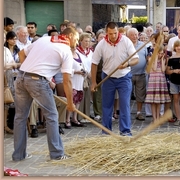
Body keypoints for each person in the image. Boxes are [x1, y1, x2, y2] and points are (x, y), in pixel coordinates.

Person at [12, 27, 78, 161]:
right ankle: (57, 154)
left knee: (20, 117)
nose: (76, 42)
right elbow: (67, 81)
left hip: (21, 77)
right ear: (70, 36)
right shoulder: (66, 50)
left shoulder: (44, 39)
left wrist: (28, 71)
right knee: (52, 116)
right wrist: (70, 104)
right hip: (37, 80)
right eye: (76, 39)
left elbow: (22, 54)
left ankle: (18, 155)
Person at [90, 22, 139, 136]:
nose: (113, 36)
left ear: (118, 31)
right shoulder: (101, 44)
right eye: (110, 34)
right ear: (107, 32)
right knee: (106, 105)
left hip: (124, 77)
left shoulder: (126, 41)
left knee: (125, 105)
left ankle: (125, 131)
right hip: (108, 77)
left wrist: (127, 64)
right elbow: (94, 63)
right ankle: (106, 131)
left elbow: (136, 59)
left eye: (115, 33)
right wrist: (93, 82)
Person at [145, 45, 171, 122]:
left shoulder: (163, 60)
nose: (160, 55)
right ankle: (154, 118)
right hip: (153, 80)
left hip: (160, 80)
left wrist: (163, 59)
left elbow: (163, 69)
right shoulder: (150, 59)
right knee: (153, 101)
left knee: (159, 100)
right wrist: (155, 58)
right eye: (158, 53)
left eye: (161, 53)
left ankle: (158, 116)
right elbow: (155, 68)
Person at [127, 28, 147, 121]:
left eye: (136, 34)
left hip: (141, 74)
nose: (135, 36)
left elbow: (147, 57)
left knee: (140, 94)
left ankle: (139, 112)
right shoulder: (126, 45)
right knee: (127, 94)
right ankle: (126, 113)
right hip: (128, 74)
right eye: (132, 35)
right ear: (128, 36)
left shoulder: (143, 45)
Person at [76, 33, 93, 123]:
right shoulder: (77, 51)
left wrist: (91, 72)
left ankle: (87, 115)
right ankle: (79, 116)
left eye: (89, 41)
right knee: (80, 95)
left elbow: (92, 63)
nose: (87, 43)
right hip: (80, 75)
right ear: (81, 41)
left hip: (89, 76)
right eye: (85, 41)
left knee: (87, 95)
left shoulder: (91, 52)